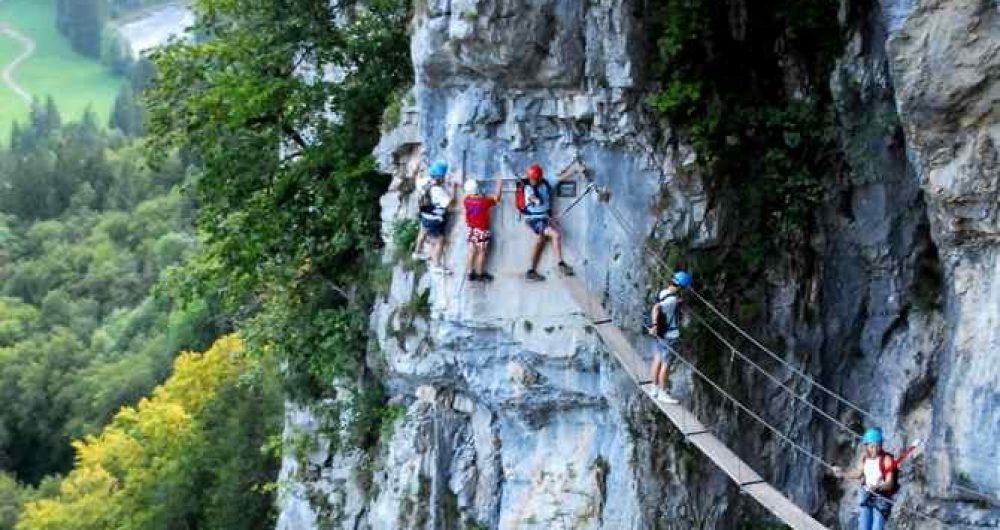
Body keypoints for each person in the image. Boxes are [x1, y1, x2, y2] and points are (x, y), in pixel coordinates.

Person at [832, 427, 897, 530]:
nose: (875, 450)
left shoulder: (886, 460)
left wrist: (879, 486)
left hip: (881, 497)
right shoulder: (865, 458)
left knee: (877, 527)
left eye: (878, 446)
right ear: (866, 446)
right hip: (866, 493)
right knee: (863, 526)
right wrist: (843, 473)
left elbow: (889, 483)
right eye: (872, 446)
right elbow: (859, 474)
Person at [521, 163, 574, 281]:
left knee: (540, 241)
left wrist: (574, 171)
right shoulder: (528, 188)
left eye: (534, 179)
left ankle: (531, 271)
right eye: (531, 178)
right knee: (556, 235)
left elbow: (561, 178)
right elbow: (530, 197)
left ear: (540, 178)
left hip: (544, 218)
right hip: (534, 219)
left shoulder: (546, 183)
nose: (532, 181)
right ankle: (560, 263)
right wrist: (535, 200)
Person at [646, 270, 692, 404]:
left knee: (657, 360)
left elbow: (663, 305)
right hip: (669, 336)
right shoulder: (672, 299)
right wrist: (654, 325)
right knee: (666, 365)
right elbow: (656, 308)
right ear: (683, 287)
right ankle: (662, 393)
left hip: (661, 334)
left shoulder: (664, 293)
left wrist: (655, 327)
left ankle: (654, 389)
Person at [414, 161, 456, 274]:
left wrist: (418, 170)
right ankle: (436, 265)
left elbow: (417, 178)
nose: (445, 177)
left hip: (423, 214)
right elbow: (449, 204)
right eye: (443, 175)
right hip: (433, 219)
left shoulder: (423, 182)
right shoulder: (438, 191)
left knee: (422, 232)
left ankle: (417, 252)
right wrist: (453, 190)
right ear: (440, 176)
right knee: (440, 241)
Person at [463, 176, 502, 282]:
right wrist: (498, 184)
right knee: (481, 252)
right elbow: (497, 198)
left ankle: (470, 273)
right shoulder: (484, 202)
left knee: (471, 251)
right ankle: (480, 273)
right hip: (481, 230)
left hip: (471, 229)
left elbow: (472, 198)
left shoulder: (466, 200)